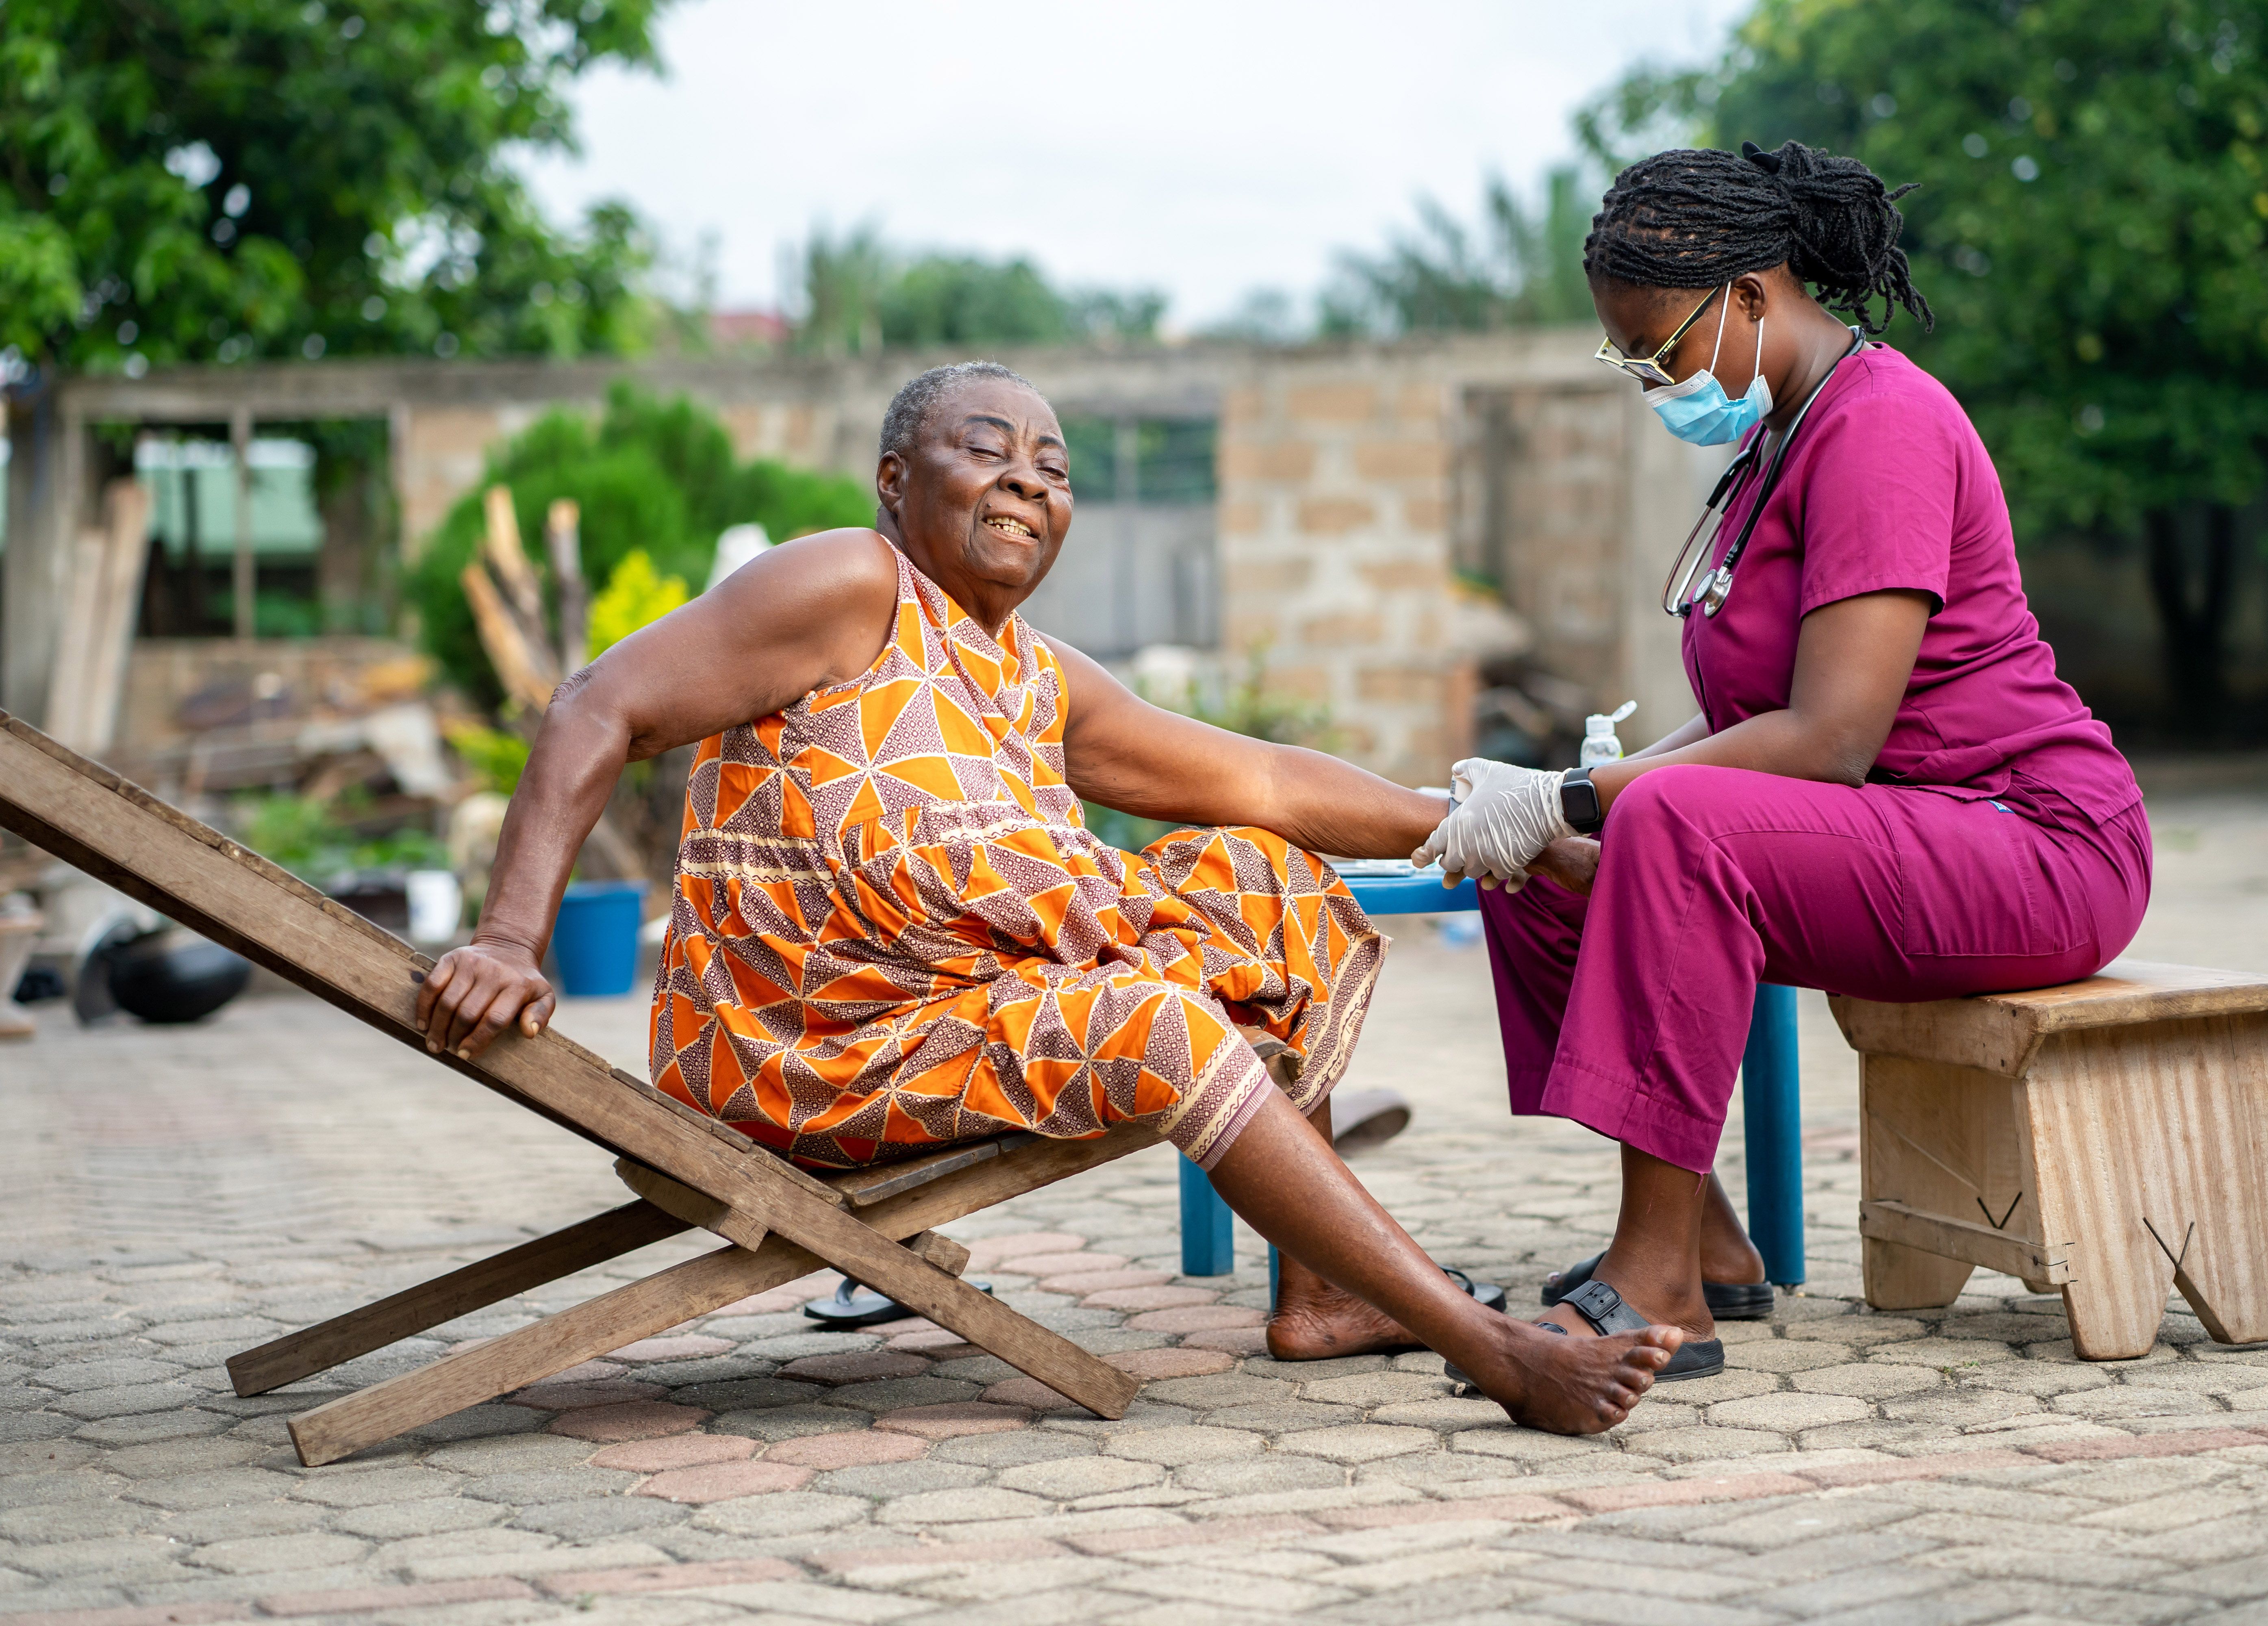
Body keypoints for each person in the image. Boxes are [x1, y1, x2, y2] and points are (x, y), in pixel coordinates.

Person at [412, 360, 1680, 1433]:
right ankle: (1495, 1352)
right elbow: (599, 703)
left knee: (1261, 871)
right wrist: (511, 938)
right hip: (806, 1049)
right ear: (897, 485)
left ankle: (1329, 1294)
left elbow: (1263, 778)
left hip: (959, 1024)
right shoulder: (850, 588)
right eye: (987, 450)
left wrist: (1513, 817)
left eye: (1055, 468)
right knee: (1162, 1023)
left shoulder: (1031, 672)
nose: (1028, 479)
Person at [1418, 142, 2151, 1379]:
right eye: (1632, 362)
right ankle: (1704, 1239)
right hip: (1904, 835)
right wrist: (1559, 805)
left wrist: (1590, 787)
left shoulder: (1884, 425)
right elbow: (1745, 719)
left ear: (1753, 297)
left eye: (1664, 352)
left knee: (1669, 825)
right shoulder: (1774, 446)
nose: (1656, 384)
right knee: (1551, 867)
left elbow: (1830, 736)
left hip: (2035, 839)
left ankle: (1656, 1287)